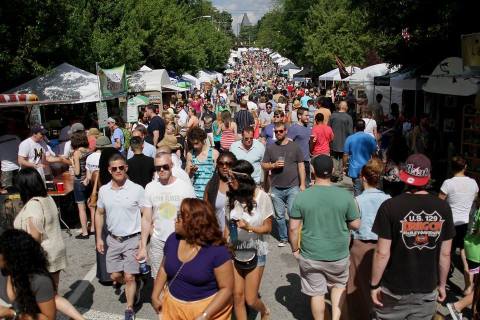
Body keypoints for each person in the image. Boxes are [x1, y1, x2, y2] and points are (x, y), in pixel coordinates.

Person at [370, 154, 455, 320]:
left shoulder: (389, 207)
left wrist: (374, 284)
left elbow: (382, 252)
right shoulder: (443, 208)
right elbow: (445, 254)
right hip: (426, 288)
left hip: (393, 289)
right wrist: (443, 285)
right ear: (428, 177)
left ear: (404, 175)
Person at [288, 155, 360, 320]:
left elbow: (293, 228)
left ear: (313, 171)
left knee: (316, 293)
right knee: (338, 287)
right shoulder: (345, 196)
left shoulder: (302, 196)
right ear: (333, 171)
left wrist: (295, 250)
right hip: (338, 254)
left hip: (311, 253)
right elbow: (356, 224)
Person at [13, 168, 85, 320]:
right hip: (56, 252)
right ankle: (79, 318)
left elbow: (34, 237)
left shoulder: (33, 205)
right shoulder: (47, 198)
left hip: (42, 257)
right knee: (52, 295)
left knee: (46, 297)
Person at [151, 198, 234, 320]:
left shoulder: (217, 251)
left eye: (180, 216)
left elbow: (227, 289)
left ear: (194, 222)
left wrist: (205, 315)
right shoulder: (173, 239)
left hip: (205, 310)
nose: (175, 219)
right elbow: (164, 267)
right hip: (173, 309)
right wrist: (155, 294)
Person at [95, 154, 146, 320]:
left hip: (132, 239)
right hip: (113, 240)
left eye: (121, 167)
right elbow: (99, 213)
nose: (118, 171)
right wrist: (98, 238)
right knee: (115, 276)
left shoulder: (137, 189)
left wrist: (143, 242)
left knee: (129, 276)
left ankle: (129, 308)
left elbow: (146, 215)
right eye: (114, 168)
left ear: (126, 168)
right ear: (109, 170)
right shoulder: (103, 191)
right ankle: (136, 284)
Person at [225, 160, 273, 320]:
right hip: (235, 252)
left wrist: (248, 228)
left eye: (232, 178)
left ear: (243, 179)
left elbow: (268, 227)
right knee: (237, 296)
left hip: (256, 252)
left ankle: (264, 311)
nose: (229, 181)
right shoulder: (231, 197)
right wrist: (227, 242)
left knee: (250, 299)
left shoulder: (262, 197)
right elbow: (228, 225)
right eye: (228, 178)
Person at [138, 151, 196, 280]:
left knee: (179, 279)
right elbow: (146, 218)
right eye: (158, 168)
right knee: (158, 279)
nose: (162, 170)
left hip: (180, 240)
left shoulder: (184, 187)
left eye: (165, 166)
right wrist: (143, 245)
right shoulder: (150, 187)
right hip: (158, 242)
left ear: (172, 165)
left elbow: (194, 216)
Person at [346, 159, 390, 319]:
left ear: (363, 177)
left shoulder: (357, 201)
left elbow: (351, 226)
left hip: (359, 246)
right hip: (383, 244)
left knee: (357, 286)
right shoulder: (388, 199)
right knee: (379, 283)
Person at [261, 122, 305, 247]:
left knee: (293, 213)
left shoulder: (295, 147)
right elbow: (264, 165)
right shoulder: (270, 148)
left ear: (286, 131)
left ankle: (294, 237)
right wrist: (273, 165)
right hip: (276, 187)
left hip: (293, 186)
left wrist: (302, 184)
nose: (278, 133)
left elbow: (301, 165)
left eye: (280, 131)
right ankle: (283, 238)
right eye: (276, 132)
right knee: (280, 216)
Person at [439, 156, 479, 294]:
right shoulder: (473, 183)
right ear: (465, 167)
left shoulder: (448, 183)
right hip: (467, 222)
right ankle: (469, 286)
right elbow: (475, 199)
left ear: (452, 167)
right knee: (464, 252)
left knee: (446, 253)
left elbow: (440, 203)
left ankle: (441, 283)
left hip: (451, 223)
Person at [0, 229, 56, 320]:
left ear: (10, 256)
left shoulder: (40, 281)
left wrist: (11, 313)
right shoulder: (4, 271)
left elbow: (49, 318)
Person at [204, 151, 237, 231]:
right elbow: (205, 211)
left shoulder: (240, 185)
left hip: (238, 234)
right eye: (221, 164)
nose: (224, 167)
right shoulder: (211, 185)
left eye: (228, 164)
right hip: (218, 235)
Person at [343, 119, 377, 196]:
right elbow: (374, 154)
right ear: (364, 127)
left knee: (357, 190)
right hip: (367, 168)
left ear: (355, 128)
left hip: (355, 170)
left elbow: (345, 155)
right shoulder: (370, 138)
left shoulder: (350, 138)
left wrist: (344, 166)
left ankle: (358, 206)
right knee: (368, 190)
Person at [71, 132, 93, 239]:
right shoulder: (89, 151)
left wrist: (73, 163)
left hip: (79, 181)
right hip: (88, 180)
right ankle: (93, 228)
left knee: (81, 208)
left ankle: (84, 232)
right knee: (91, 205)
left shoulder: (76, 153)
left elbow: (77, 172)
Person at [186, 127, 219, 198]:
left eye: (196, 143)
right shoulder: (190, 154)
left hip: (211, 196)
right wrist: (191, 172)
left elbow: (218, 176)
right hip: (196, 196)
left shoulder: (214, 153)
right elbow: (187, 177)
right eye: (192, 144)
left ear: (203, 140)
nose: (194, 146)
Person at [329, 101, 353, 181]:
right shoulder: (348, 117)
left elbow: (329, 129)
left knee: (335, 158)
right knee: (342, 158)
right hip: (344, 142)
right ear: (346, 107)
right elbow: (350, 132)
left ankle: (335, 173)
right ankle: (340, 174)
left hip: (334, 142)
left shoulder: (333, 116)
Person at [288, 107, 312, 186]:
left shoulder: (308, 127)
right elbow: (288, 144)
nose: (308, 117)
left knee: (307, 184)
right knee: (297, 185)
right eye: (306, 115)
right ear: (299, 116)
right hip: (297, 162)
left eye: (308, 115)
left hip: (306, 160)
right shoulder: (293, 128)